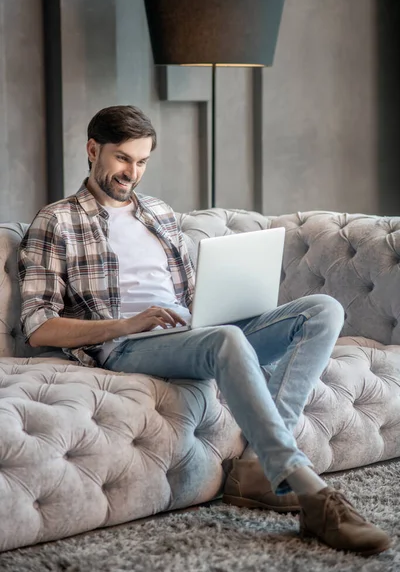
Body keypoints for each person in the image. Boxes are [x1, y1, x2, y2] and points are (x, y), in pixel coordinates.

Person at [18, 105, 390, 556]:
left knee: (322, 311)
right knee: (225, 340)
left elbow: (194, 293)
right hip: (126, 345)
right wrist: (129, 323)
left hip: (195, 332)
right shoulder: (56, 220)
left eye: (141, 162)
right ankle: (308, 489)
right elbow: (39, 326)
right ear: (93, 149)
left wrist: (226, 305)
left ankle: (254, 468)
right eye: (122, 159)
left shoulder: (159, 214)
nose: (131, 172)